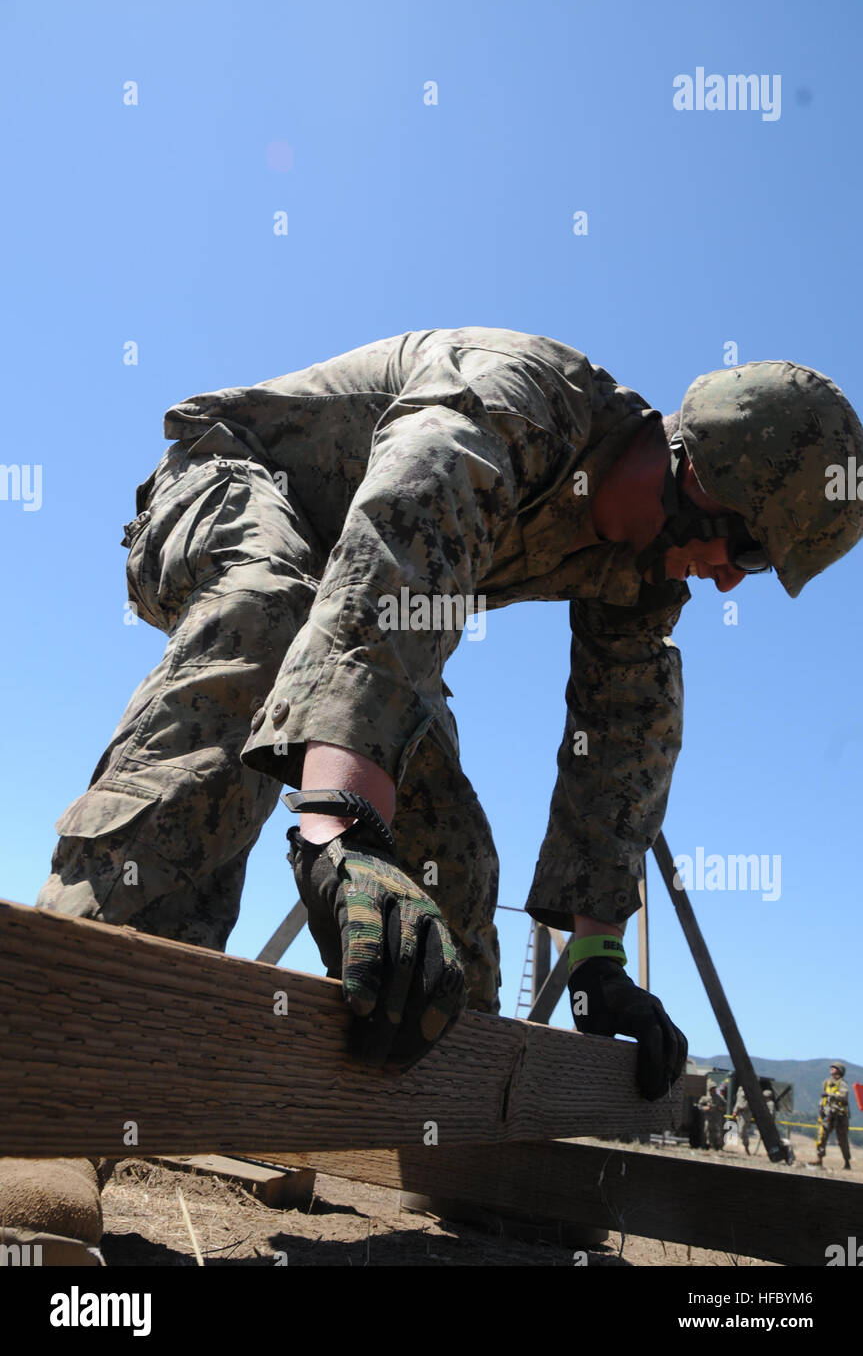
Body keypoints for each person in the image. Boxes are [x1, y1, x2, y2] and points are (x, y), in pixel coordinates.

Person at [8, 327, 863, 1261]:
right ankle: (44, 1101)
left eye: (755, 567)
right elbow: (398, 546)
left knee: (448, 852)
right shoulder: (509, 399)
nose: (730, 573)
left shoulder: (642, 566)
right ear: (684, 463)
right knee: (275, 613)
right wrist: (337, 827)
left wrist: (598, 960)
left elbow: (621, 745)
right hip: (230, 484)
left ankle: (454, 1143)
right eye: (738, 539)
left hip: (367, 599)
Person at [815, 1062, 852, 1170]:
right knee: (821, 1135)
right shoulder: (827, 1082)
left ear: (839, 1071)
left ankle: (847, 1162)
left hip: (840, 1114)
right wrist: (821, 1108)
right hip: (828, 1113)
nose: (831, 1068)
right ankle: (819, 1160)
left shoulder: (842, 1084)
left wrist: (830, 1095)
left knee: (842, 1140)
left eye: (834, 1068)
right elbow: (823, 1098)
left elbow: (844, 1096)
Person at [697, 1083, 726, 1150]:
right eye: (712, 1088)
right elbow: (699, 1106)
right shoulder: (705, 1098)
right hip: (708, 1117)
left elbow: (725, 1105)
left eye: (714, 1088)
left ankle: (718, 1146)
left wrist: (721, 1108)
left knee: (718, 1132)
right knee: (707, 1131)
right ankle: (706, 1145)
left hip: (717, 1118)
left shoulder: (720, 1097)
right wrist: (705, 1108)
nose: (714, 1090)